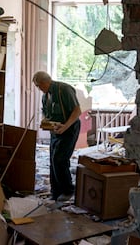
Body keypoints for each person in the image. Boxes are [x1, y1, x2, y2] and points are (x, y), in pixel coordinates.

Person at [32, 71, 81, 202]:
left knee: (60, 159)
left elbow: (77, 111)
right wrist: (45, 122)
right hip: (55, 131)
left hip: (69, 128)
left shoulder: (63, 89)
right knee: (53, 160)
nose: (38, 88)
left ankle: (68, 190)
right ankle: (56, 191)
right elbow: (45, 113)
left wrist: (65, 126)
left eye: (38, 85)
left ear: (45, 82)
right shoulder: (45, 96)